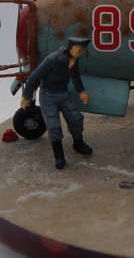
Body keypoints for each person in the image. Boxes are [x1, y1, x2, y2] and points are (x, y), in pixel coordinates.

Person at [21, 37, 93, 169]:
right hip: (48, 95)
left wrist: (81, 91)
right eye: (79, 49)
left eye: (82, 50)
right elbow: (34, 77)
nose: (81, 52)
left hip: (63, 92)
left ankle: (78, 143)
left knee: (76, 119)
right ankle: (59, 155)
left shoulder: (74, 59)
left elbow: (75, 76)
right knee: (53, 125)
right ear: (70, 48)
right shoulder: (53, 59)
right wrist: (26, 96)